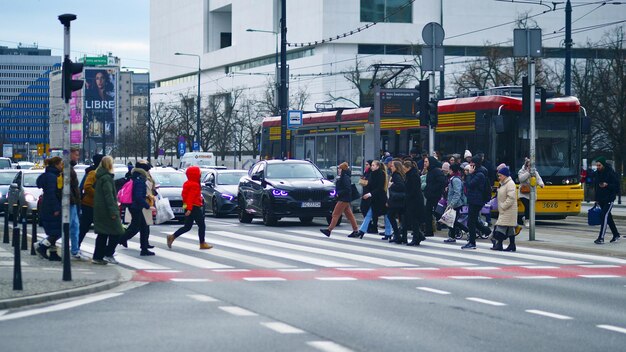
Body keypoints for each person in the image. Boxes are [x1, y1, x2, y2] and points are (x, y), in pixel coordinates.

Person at [167, 166, 213, 249]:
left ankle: (172, 236)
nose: (200, 174)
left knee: (187, 226)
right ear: (195, 174)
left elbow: (184, 197)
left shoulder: (187, 183)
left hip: (189, 207)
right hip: (194, 207)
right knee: (202, 225)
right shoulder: (195, 185)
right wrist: (189, 209)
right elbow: (191, 197)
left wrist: (185, 207)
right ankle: (202, 243)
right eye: (199, 173)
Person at [118, 160, 156, 256]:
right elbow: (138, 196)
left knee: (142, 226)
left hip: (134, 206)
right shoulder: (139, 179)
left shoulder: (136, 176)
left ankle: (144, 249)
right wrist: (148, 206)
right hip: (135, 206)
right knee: (135, 227)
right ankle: (119, 239)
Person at [92, 156, 125, 264]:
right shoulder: (106, 178)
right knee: (117, 232)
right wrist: (113, 211)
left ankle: (98, 256)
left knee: (103, 234)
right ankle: (108, 253)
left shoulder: (100, 176)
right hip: (107, 210)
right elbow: (109, 197)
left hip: (100, 209)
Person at [34, 157, 63, 261]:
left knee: (53, 230)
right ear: (56, 165)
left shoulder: (48, 175)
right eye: (60, 164)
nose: (61, 166)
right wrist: (56, 208)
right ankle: (42, 246)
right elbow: (52, 194)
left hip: (46, 206)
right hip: (51, 208)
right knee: (57, 231)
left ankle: (53, 253)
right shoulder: (52, 177)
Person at [354, 160, 392, 239]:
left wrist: (369, 194)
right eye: (372, 165)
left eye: (373, 165)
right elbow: (370, 185)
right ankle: (361, 231)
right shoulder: (372, 174)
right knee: (369, 214)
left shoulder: (381, 174)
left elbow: (379, 188)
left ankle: (388, 232)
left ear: (378, 166)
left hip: (381, 198)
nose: (372, 166)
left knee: (386, 215)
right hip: (375, 198)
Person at [323, 162, 359, 237]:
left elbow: (347, 189)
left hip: (343, 199)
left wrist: (339, 193)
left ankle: (329, 230)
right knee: (350, 215)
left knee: (335, 214)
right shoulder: (343, 176)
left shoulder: (344, 177)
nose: (338, 170)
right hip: (345, 198)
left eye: (340, 168)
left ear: (343, 169)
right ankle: (356, 230)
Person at [461, 156, 488, 250]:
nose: (470, 165)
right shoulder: (477, 173)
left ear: (475, 164)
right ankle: (489, 233)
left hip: (477, 200)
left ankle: (472, 242)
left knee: (470, 222)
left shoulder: (479, 174)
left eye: (472, 164)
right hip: (474, 199)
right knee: (474, 220)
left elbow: (470, 184)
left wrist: (469, 174)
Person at [593, 157, 621, 244]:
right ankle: (616, 234)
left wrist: (607, 185)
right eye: (597, 165)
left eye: (599, 165)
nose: (598, 167)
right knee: (608, 218)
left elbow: (617, 187)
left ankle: (601, 237)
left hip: (609, 198)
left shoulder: (611, 173)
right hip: (601, 198)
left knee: (604, 215)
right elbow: (596, 187)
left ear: (603, 165)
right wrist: (596, 199)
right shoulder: (597, 173)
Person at [491, 167, 519, 251]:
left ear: (505, 175)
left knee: (500, 227)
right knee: (510, 228)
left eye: (500, 175)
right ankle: (512, 245)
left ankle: (499, 244)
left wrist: (503, 206)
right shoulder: (503, 183)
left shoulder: (510, 184)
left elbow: (511, 198)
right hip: (505, 210)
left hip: (508, 210)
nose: (499, 177)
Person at [79, 154, 103, 246]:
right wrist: (98, 195)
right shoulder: (93, 172)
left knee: (85, 227)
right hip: (90, 204)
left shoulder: (98, 172)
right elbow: (85, 187)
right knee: (84, 227)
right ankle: (75, 247)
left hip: (94, 204)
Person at [69, 147, 88, 260]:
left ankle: (75, 250)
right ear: (70, 155)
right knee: (69, 226)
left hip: (74, 201)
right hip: (71, 202)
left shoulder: (70, 168)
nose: (77, 157)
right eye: (76, 155)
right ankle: (45, 243)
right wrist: (72, 198)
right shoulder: (67, 168)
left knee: (75, 226)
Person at [517, 157, 545, 227]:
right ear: (526, 165)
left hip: (531, 194)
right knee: (527, 206)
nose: (531, 167)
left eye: (532, 166)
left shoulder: (535, 172)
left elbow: (539, 179)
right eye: (529, 165)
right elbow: (521, 179)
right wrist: (528, 173)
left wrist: (541, 184)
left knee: (530, 207)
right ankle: (527, 220)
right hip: (523, 193)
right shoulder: (521, 171)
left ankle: (525, 217)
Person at [423, 156, 446, 237]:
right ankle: (429, 231)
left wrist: (432, 189)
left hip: (436, 196)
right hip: (430, 196)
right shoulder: (430, 171)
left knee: (438, 214)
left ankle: (451, 227)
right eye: (424, 162)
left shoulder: (436, 171)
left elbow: (442, 182)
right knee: (428, 213)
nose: (424, 163)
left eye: (426, 162)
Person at [443, 163, 467, 243]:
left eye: (449, 169)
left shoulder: (455, 179)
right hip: (454, 203)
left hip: (456, 204)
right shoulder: (453, 178)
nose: (448, 171)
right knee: (451, 220)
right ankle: (452, 236)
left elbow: (457, 193)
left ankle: (466, 231)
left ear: (452, 170)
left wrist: (451, 204)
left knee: (453, 221)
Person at [404, 160, 425, 246]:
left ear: (408, 168)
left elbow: (414, 189)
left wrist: (407, 196)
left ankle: (416, 238)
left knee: (414, 220)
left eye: (404, 168)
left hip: (415, 200)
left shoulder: (413, 176)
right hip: (412, 199)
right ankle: (418, 235)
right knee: (413, 220)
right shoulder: (410, 174)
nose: (403, 170)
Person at [387, 161, 407, 244]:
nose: (391, 167)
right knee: (401, 218)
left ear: (396, 167)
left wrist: (391, 185)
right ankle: (401, 236)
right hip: (399, 200)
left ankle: (397, 235)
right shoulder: (399, 175)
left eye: (392, 166)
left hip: (396, 200)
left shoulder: (396, 175)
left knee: (390, 215)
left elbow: (401, 186)